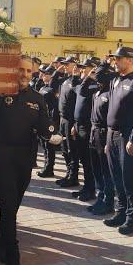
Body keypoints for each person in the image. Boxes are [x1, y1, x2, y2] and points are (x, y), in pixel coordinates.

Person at [0, 55, 62, 265]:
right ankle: (13, 257)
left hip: (25, 160)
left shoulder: (37, 98)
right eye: (21, 70)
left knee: (12, 207)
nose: (25, 74)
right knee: (8, 205)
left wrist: (52, 135)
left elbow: (44, 124)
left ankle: (1, 244)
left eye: (28, 71)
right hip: (1, 158)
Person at [103, 46, 133, 235]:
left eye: (119, 59)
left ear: (130, 60)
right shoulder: (115, 80)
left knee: (131, 179)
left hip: (127, 136)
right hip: (112, 134)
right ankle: (121, 213)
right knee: (117, 177)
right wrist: (107, 138)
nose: (115, 61)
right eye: (114, 59)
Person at [86, 64, 116, 215]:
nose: (96, 77)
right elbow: (83, 91)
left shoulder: (111, 93)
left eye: (99, 74)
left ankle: (108, 202)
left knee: (106, 172)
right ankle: (100, 198)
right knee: (96, 169)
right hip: (94, 132)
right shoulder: (97, 92)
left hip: (104, 135)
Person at [70, 57, 101, 201]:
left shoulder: (95, 84)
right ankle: (86, 187)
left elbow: (82, 91)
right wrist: (75, 124)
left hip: (88, 127)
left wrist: (89, 77)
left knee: (89, 162)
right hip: (79, 125)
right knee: (83, 160)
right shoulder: (85, 82)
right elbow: (77, 96)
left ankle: (91, 190)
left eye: (86, 67)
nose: (82, 70)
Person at [54, 56, 82, 187]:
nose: (64, 66)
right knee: (64, 148)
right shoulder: (65, 80)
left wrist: (76, 124)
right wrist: (57, 71)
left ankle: (73, 176)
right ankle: (68, 173)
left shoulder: (78, 82)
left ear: (75, 65)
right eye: (64, 64)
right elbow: (52, 84)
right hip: (62, 119)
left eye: (67, 64)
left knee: (72, 149)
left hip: (71, 120)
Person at [36, 65, 60, 178]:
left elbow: (55, 107)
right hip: (42, 119)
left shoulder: (52, 89)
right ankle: (46, 165)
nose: (43, 75)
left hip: (49, 120)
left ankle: (49, 168)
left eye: (46, 74)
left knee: (49, 146)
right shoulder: (43, 87)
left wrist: (52, 122)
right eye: (43, 73)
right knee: (44, 145)